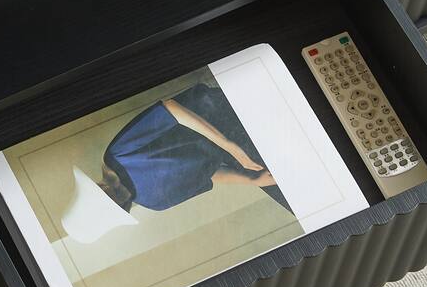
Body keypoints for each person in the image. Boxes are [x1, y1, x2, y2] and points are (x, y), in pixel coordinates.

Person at [98, 82, 289, 212]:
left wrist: (230, 147)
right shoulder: (155, 203)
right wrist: (252, 180)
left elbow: (171, 109)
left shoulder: (116, 156)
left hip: (215, 112)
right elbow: (208, 174)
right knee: (285, 193)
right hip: (232, 154)